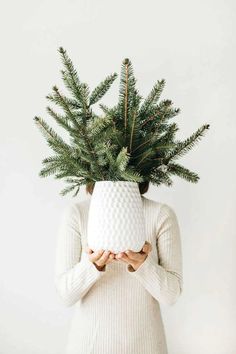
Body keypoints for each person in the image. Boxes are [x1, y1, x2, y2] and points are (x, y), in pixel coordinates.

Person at [54, 181, 183, 354]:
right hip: (88, 346)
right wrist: (93, 265)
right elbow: (65, 295)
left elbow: (171, 295)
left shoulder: (160, 214)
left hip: (146, 346)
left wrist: (143, 265)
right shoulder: (78, 214)